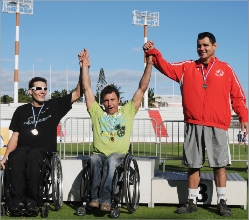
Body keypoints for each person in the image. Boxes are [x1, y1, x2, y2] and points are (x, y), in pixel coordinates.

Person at [143, 32, 248, 217]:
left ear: (215, 46)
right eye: (199, 45)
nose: (202, 48)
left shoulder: (226, 68)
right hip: (193, 123)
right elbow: (166, 67)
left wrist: (244, 117)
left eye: (206, 45)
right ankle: (191, 201)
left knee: (220, 165)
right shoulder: (187, 67)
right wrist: (153, 51)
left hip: (217, 125)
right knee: (193, 165)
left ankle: (222, 202)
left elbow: (237, 96)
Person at [78, 48, 153, 212]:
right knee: (93, 160)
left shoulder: (128, 111)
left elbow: (142, 88)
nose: (109, 103)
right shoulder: (97, 112)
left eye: (113, 100)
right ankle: (94, 198)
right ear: (102, 102)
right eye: (106, 101)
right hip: (100, 154)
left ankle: (106, 199)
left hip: (119, 157)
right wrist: (84, 66)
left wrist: (149, 64)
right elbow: (86, 88)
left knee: (112, 159)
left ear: (119, 100)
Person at [0, 75, 83, 216]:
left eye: (45, 88)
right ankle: (17, 201)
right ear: (30, 91)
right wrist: (5, 157)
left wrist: (83, 67)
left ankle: (32, 201)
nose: (43, 91)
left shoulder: (53, 106)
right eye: (38, 88)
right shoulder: (21, 111)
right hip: (23, 150)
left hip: (44, 152)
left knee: (34, 155)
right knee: (16, 156)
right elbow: (15, 136)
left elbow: (78, 93)